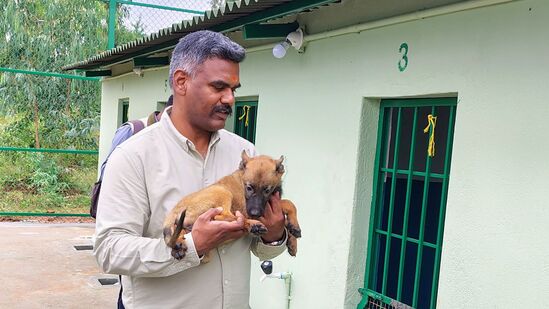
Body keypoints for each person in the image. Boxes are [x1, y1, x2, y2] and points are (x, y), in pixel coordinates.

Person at [93, 30, 287, 309]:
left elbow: (259, 246)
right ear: (181, 82)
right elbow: (110, 251)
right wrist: (193, 245)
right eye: (219, 87)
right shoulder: (134, 156)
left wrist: (274, 234)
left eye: (234, 89)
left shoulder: (246, 154)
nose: (230, 99)